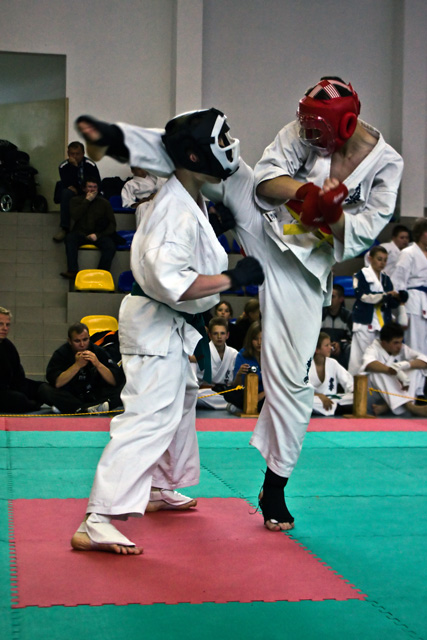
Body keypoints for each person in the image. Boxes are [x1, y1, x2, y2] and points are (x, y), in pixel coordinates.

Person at [74, 76, 403, 532]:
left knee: (293, 382)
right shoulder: (304, 126)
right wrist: (303, 194)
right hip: (264, 219)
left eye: (317, 132)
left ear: (345, 125)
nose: (306, 135)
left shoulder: (386, 166)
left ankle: (275, 484)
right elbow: (266, 182)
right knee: (211, 156)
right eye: (305, 126)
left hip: (304, 270)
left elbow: (363, 234)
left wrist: (331, 215)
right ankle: (119, 139)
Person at [71, 108, 264, 554]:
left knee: (181, 404)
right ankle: (98, 518)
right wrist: (231, 279)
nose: (230, 145)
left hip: (170, 324)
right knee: (149, 416)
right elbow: (175, 283)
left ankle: (159, 485)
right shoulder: (173, 211)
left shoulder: (191, 196)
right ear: (196, 155)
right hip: (156, 320)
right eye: (222, 139)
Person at [38, 322, 124, 414]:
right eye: (77, 341)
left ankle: (70, 408)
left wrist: (98, 364)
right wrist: (77, 365)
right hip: (72, 394)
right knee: (44, 389)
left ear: (89, 338)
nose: (82, 344)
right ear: (70, 341)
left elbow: (114, 381)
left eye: (85, 340)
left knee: (122, 389)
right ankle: (86, 408)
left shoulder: (98, 351)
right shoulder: (61, 353)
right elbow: (58, 383)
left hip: (94, 393)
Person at [348, 246, 403, 375]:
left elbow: (390, 302)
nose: (382, 263)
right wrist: (384, 296)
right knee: (361, 356)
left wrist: (397, 298)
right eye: (379, 259)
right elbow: (362, 296)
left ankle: (375, 384)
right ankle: (355, 384)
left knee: (379, 356)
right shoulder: (360, 275)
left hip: (382, 323)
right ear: (370, 258)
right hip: (365, 322)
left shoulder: (386, 279)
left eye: (385, 260)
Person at [361, 322, 427, 417]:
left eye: (401, 341)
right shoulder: (373, 348)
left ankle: (388, 406)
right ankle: (409, 406)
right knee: (377, 373)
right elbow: (369, 364)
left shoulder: (402, 348)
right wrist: (395, 372)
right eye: (395, 343)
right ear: (384, 343)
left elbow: (424, 360)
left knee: (416, 369)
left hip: (395, 392)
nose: (399, 346)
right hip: (373, 391)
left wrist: (405, 365)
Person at [60, 179, 117, 280]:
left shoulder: (104, 203)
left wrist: (98, 235)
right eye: (90, 187)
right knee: (70, 239)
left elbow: (112, 224)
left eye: (95, 187)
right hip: (80, 232)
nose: (92, 190)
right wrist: (86, 201)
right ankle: (72, 271)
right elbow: (75, 216)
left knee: (110, 246)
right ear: (84, 189)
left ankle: (101, 273)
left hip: (98, 233)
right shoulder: (75, 200)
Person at [53, 141, 100, 243]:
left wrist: (80, 189)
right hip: (73, 194)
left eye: (77, 154)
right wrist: (74, 167)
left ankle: (97, 230)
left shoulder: (90, 165)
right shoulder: (63, 166)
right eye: (72, 154)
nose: (75, 157)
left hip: (88, 191)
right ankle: (64, 228)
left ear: (83, 154)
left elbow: (96, 182)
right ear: (68, 153)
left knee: (98, 196)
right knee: (65, 193)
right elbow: (68, 184)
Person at [392, 218, 427, 356]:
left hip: (425, 301)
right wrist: (402, 308)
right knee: (414, 342)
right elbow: (398, 281)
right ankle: (413, 368)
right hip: (412, 302)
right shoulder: (408, 253)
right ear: (420, 233)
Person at [0, 307, 42, 413]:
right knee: (18, 399)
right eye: (0, 324)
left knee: (42, 388)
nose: (5, 328)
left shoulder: (8, 345)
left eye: (7, 325)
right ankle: (34, 404)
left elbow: (18, 373)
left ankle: (76, 406)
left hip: (10, 386)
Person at [196, 317, 238, 410]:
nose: (219, 337)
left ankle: (230, 403)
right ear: (210, 335)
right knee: (196, 396)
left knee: (237, 395)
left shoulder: (234, 353)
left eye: (222, 333)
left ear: (227, 335)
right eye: (215, 333)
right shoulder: (202, 352)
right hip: (207, 392)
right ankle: (231, 405)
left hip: (226, 392)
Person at [309, 332, 353, 416]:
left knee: (353, 397)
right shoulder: (307, 366)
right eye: (327, 345)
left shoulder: (333, 363)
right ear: (316, 349)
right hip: (316, 400)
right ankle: (337, 409)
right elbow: (302, 390)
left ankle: (331, 408)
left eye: (330, 345)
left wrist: (354, 390)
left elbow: (347, 380)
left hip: (332, 399)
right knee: (305, 400)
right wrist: (319, 396)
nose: (331, 348)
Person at [227, 321, 264, 414]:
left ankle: (243, 407)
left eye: (262, 339)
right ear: (250, 339)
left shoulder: (273, 356)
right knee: (229, 393)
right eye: (255, 339)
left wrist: (260, 396)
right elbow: (237, 386)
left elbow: (278, 383)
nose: (259, 343)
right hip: (247, 393)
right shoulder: (242, 355)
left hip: (267, 395)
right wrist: (239, 374)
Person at [321, 283, 353, 368]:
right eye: (328, 296)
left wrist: (340, 344)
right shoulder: (321, 315)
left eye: (332, 296)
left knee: (350, 348)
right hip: (323, 349)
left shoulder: (348, 316)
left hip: (341, 352)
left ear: (341, 299)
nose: (329, 299)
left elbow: (353, 339)